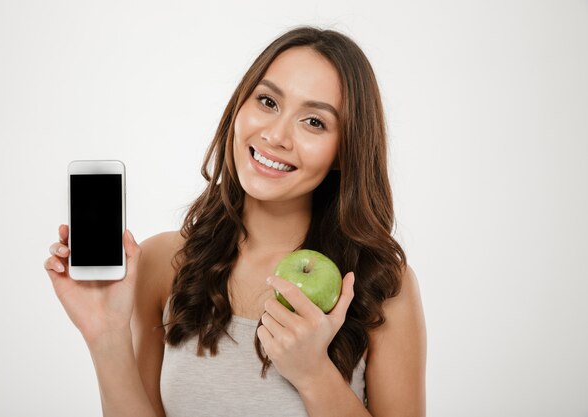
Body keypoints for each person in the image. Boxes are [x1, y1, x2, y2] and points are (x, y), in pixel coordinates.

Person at [44, 26, 426, 417]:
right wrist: (106, 336)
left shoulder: (382, 284)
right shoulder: (163, 261)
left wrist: (313, 374)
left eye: (314, 122)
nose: (276, 135)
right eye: (267, 101)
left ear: (345, 151)